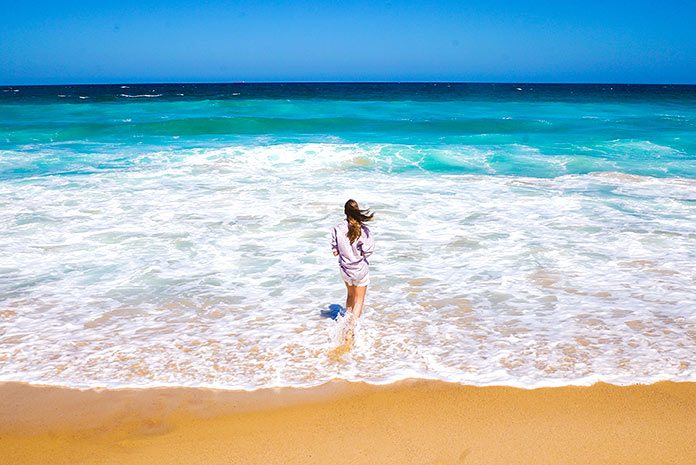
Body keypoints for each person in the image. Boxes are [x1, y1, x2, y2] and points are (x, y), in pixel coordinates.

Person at [330, 199, 374, 339]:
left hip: (345, 270)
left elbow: (335, 251)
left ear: (345, 212)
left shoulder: (337, 228)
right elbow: (368, 251)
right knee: (359, 300)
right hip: (360, 270)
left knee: (350, 296)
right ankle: (350, 330)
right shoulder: (363, 230)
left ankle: (345, 323)